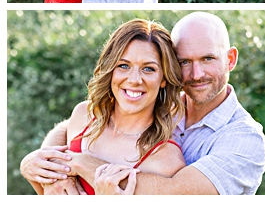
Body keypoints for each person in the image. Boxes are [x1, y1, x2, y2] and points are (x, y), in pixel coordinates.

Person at [20, 12, 265, 195]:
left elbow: (177, 193)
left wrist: (83, 165)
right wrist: (41, 162)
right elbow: (69, 127)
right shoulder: (167, 108)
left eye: (208, 59)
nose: (196, 74)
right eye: (184, 62)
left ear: (230, 59)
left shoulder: (244, 139)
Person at [23, 19, 187, 195]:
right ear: (110, 69)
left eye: (148, 69)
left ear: (163, 79)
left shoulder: (166, 160)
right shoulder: (83, 116)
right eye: (123, 66)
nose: (134, 80)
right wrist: (31, 166)